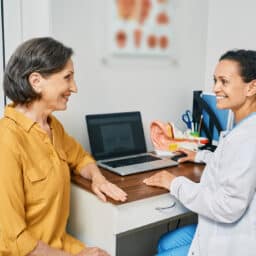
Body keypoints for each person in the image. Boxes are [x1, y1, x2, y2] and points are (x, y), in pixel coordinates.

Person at [0, 37, 127, 256]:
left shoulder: (51, 126)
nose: (74, 88)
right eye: (67, 78)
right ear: (36, 81)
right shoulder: (7, 141)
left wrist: (98, 178)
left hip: (58, 245)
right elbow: (13, 241)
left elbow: (81, 158)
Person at [144, 49, 256, 256]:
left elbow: (227, 207)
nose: (215, 88)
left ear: (252, 87)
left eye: (224, 81)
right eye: (215, 80)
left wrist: (174, 183)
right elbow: (234, 163)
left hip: (234, 239)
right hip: (224, 227)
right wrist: (200, 156)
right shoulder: (244, 128)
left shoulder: (248, 139)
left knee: (163, 251)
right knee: (165, 243)